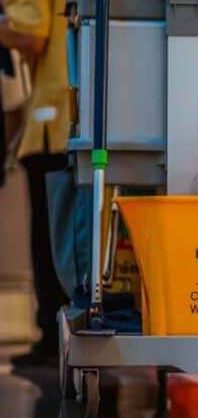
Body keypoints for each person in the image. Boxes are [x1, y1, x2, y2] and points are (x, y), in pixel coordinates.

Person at [0, 0, 70, 366]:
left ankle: (52, 334)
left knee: (47, 234)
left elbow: (32, 33)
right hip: (74, 118)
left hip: (51, 122)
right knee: (68, 233)